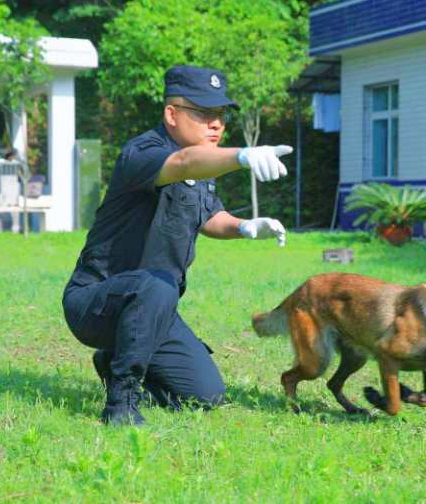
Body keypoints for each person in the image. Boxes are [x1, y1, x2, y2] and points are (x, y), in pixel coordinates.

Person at [62, 65, 291, 425]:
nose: (216, 124)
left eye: (220, 116)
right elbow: (183, 164)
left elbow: (210, 216)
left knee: (206, 394)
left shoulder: (201, 167)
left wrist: (245, 227)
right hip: (95, 302)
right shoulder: (143, 152)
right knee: (156, 282)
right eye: (203, 113)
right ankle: (121, 403)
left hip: (153, 307)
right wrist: (242, 156)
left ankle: (112, 360)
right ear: (171, 114)